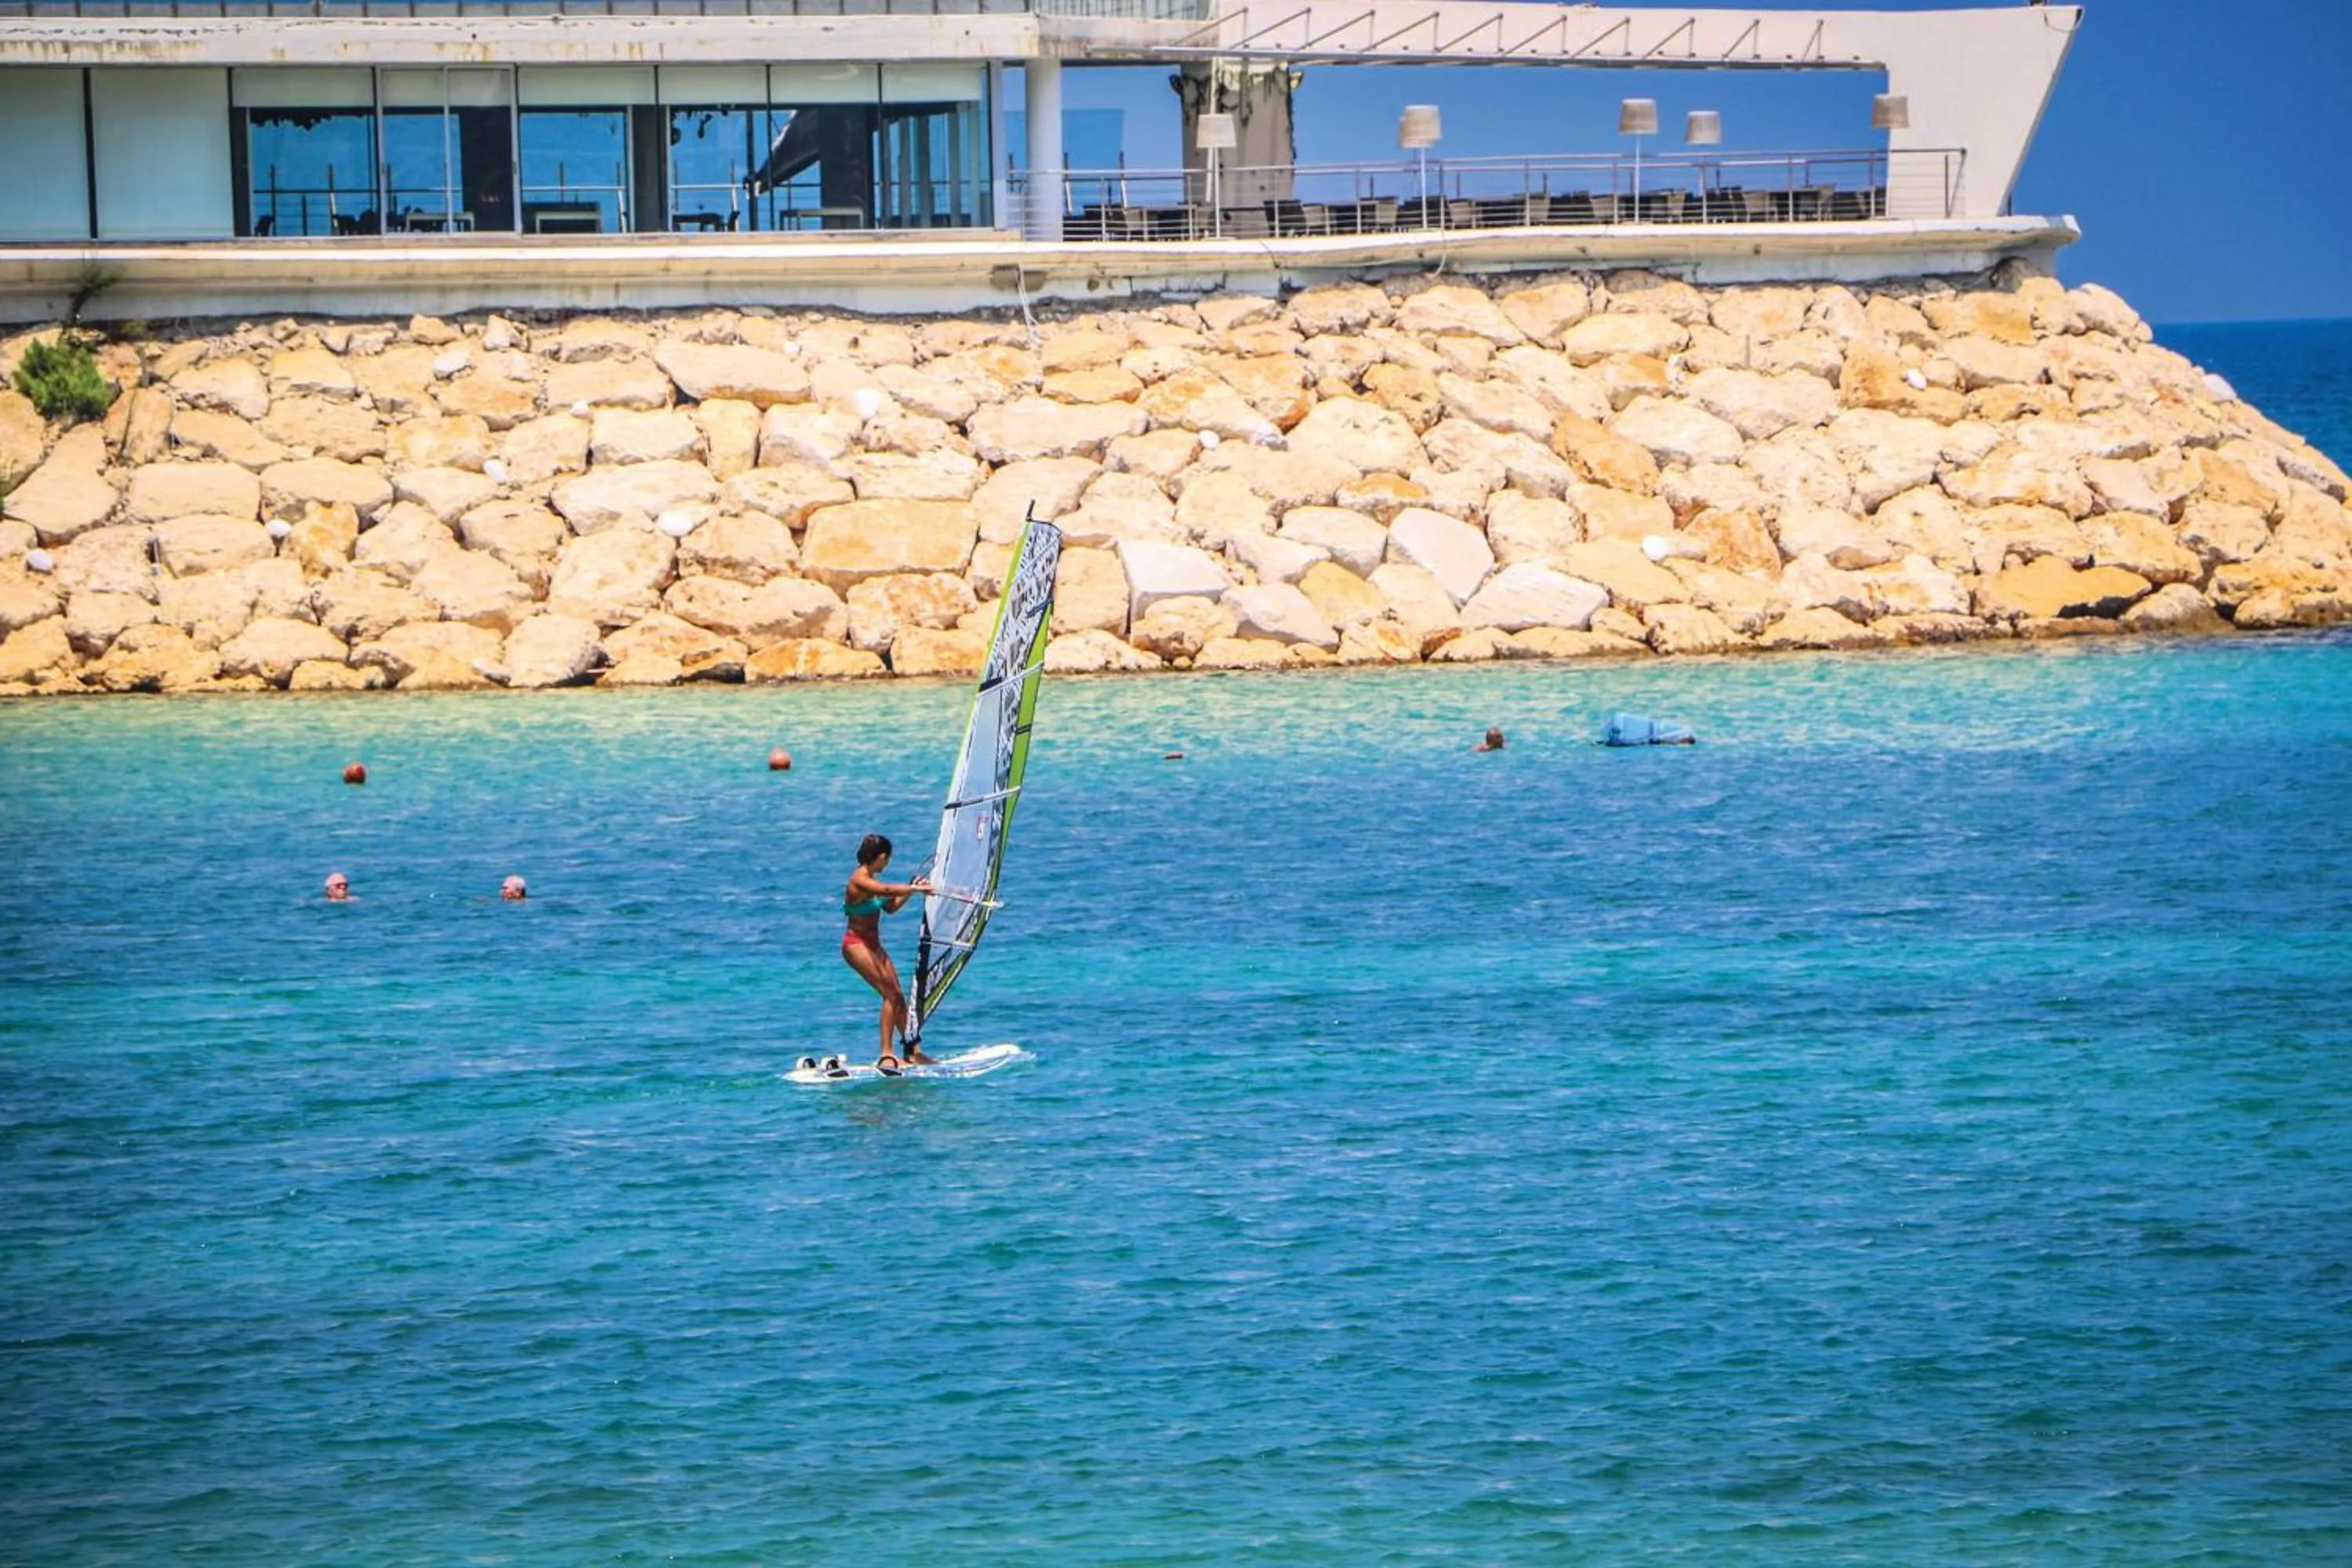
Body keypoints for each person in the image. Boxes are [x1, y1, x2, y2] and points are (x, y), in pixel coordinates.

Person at [842, 833, 931, 1073]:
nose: (887, 864)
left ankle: (914, 1052)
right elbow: (887, 889)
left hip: (874, 946)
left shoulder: (871, 879)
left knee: (899, 997)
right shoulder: (859, 880)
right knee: (890, 995)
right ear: (881, 857)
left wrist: (912, 890)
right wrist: (912, 887)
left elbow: (890, 906)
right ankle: (886, 1054)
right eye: (887, 859)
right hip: (856, 945)